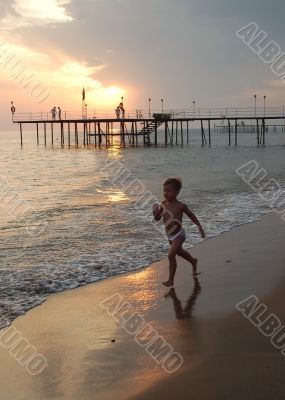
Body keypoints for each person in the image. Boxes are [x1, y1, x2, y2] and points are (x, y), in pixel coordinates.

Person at [153, 177, 205, 287]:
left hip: (179, 234)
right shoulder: (163, 204)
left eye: (169, 190)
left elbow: (191, 215)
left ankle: (171, 280)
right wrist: (155, 213)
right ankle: (193, 261)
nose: (165, 193)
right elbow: (157, 219)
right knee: (179, 252)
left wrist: (199, 226)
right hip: (170, 235)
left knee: (171, 255)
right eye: (164, 190)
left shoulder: (181, 206)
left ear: (177, 192)